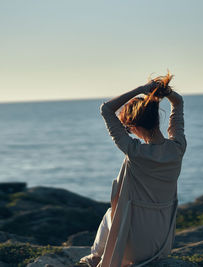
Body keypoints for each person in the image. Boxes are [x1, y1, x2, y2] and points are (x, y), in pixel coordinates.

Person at [79, 71, 186, 267]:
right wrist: (163, 91)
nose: (129, 132)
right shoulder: (178, 148)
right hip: (161, 242)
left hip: (131, 246)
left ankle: (93, 259)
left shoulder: (134, 151)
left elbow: (106, 109)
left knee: (111, 213)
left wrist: (141, 90)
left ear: (134, 126)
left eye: (127, 128)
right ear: (156, 120)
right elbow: (178, 103)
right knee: (112, 213)